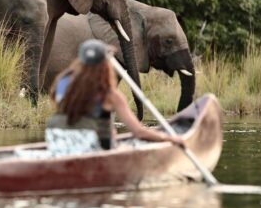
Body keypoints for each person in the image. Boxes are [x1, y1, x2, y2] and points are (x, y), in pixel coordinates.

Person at [46, 39, 184, 153]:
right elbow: (139, 133)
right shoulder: (110, 94)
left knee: (106, 127)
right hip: (90, 149)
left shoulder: (62, 82)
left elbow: (76, 115)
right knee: (124, 143)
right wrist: (171, 139)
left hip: (57, 143)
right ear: (105, 65)